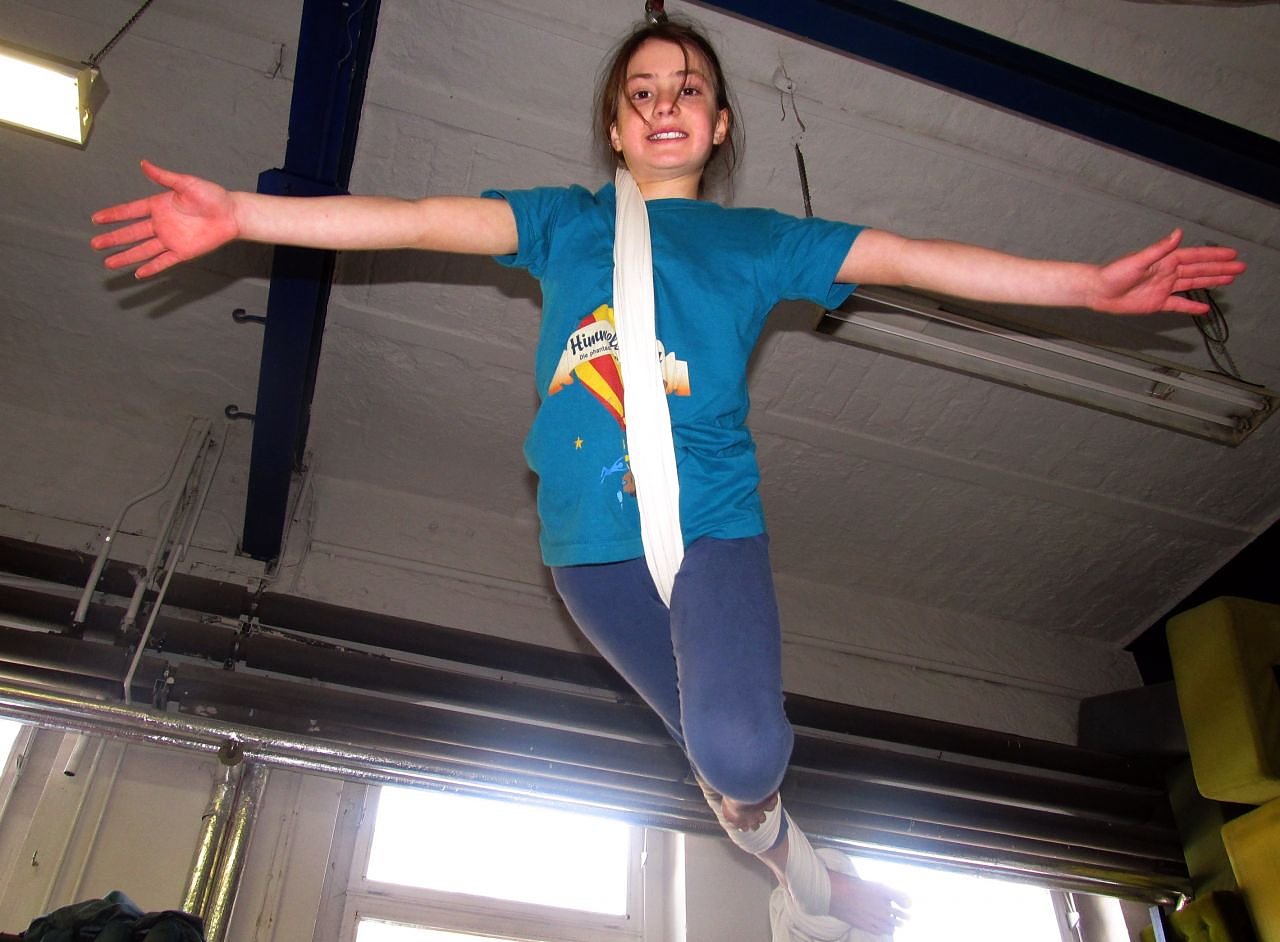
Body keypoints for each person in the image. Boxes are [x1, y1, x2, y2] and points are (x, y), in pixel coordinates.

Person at [91, 15, 1244, 940]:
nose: (661, 104)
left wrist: (1083, 286)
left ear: (719, 122)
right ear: (613, 126)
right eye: (639, 91)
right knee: (714, 754)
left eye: (686, 88)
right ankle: (808, 868)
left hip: (707, 528)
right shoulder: (562, 224)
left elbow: (909, 257)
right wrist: (246, 213)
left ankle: (787, 850)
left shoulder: (754, 243)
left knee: (740, 754)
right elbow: (417, 217)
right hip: (585, 556)